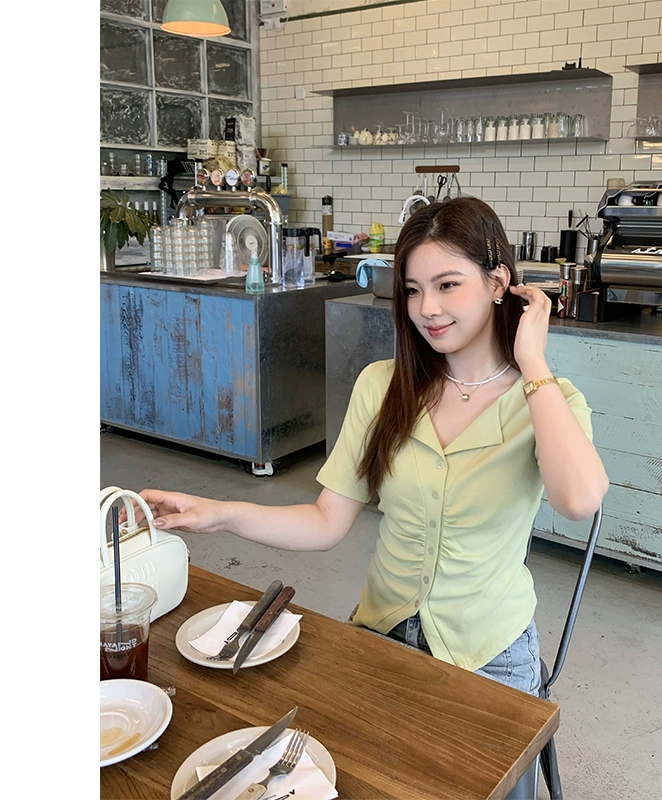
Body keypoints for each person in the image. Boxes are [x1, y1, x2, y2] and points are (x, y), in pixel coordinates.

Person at [134, 196, 608, 696]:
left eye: (447, 285)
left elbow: (579, 501)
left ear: (497, 283)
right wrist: (216, 513)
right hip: (380, 631)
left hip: (491, 655)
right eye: (413, 290)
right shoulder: (383, 386)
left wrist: (532, 362)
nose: (427, 308)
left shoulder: (546, 399)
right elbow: (326, 521)